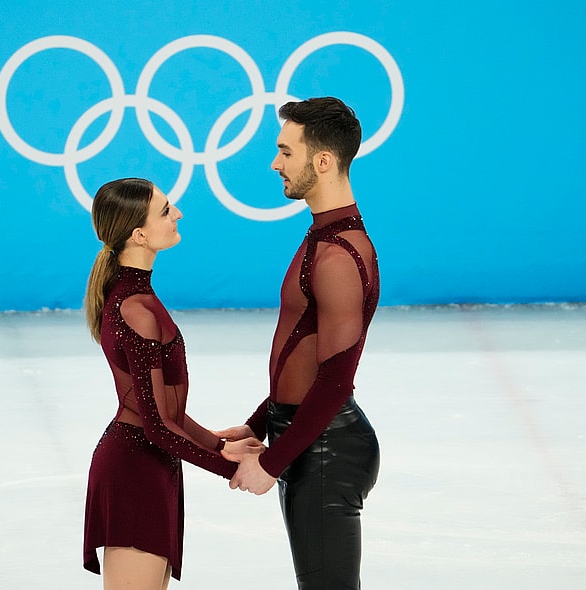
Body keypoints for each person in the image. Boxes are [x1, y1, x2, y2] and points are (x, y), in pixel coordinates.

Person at [217, 97, 381, 590]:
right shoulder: (322, 237)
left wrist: (272, 461)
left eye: (286, 152)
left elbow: (335, 380)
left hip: (326, 447)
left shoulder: (338, 255)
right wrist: (258, 424)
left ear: (323, 161)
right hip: (306, 438)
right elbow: (301, 356)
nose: (275, 163)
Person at [81, 177, 262, 589]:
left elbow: (165, 412)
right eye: (165, 210)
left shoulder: (136, 297)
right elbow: (158, 426)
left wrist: (219, 444)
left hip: (150, 467)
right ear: (139, 235)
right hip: (134, 473)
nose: (177, 213)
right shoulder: (136, 309)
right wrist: (230, 468)